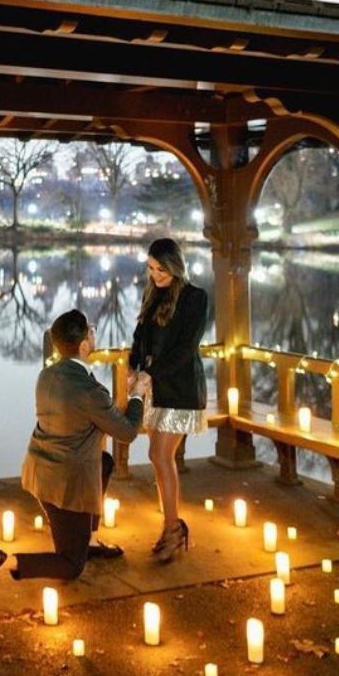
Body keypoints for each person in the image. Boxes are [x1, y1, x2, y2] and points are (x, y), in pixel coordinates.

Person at [0, 308, 149, 582]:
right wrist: (136, 395)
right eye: (91, 328)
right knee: (71, 565)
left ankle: (87, 538)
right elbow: (126, 432)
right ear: (85, 344)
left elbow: (79, 411)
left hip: (39, 471)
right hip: (67, 486)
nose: (93, 331)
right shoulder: (89, 391)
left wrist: (109, 400)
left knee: (105, 463)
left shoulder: (48, 375)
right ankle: (4, 560)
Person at [129, 237, 208, 562]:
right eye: (151, 268)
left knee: (161, 455)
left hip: (181, 387)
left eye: (161, 269)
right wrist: (135, 367)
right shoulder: (152, 295)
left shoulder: (195, 297)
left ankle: (173, 528)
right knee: (157, 455)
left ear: (175, 266)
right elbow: (139, 337)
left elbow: (186, 348)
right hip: (156, 387)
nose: (156, 275)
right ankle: (172, 525)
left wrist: (151, 374)